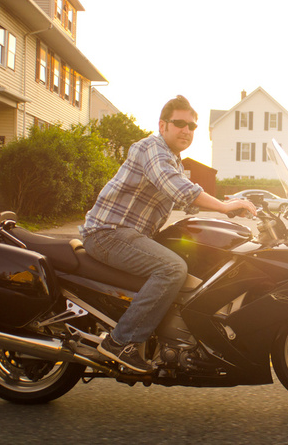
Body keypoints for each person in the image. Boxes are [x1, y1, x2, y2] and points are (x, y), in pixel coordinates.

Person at [80, 95, 257, 373]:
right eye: (180, 123)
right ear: (163, 125)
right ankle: (120, 343)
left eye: (193, 126)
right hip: (108, 234)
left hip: (128, 235)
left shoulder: (173, 159)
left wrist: (233, 204)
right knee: (173, 268)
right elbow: (179, 188)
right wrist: (224, 207)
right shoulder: (152, 148)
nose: (187, 130)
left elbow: (187, 197)